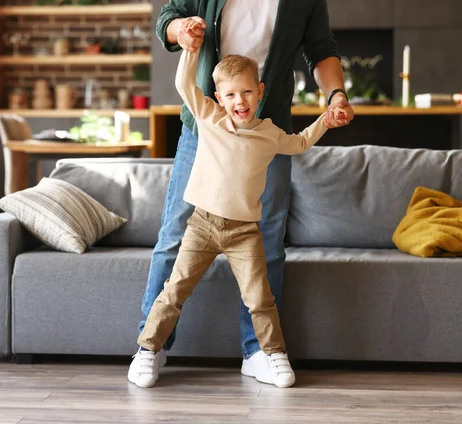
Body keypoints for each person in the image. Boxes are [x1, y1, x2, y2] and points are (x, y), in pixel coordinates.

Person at [130, 0, 354, 385]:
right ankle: (153, 345)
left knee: (268, 242)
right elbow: (168, 19)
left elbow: (321, 48)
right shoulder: (210, 110)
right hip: (206, 126)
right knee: (172, 238)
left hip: (269, 128)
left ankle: (259, 352)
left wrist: (335, 97)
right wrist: (182, 30)